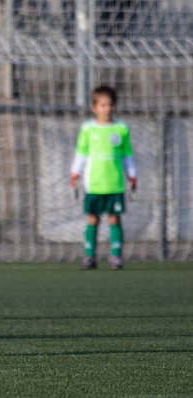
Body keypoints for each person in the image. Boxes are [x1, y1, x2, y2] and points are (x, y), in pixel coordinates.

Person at [69, 85, 137, 270]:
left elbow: (127, 155)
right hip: (94, 185)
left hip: (115, 184)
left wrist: (132, 175)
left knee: (114, 219)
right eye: (102, 105)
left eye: (109, 105)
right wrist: (75, 173)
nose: (107, 109)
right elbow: (81, 154)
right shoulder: (88, 129)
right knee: (92, 219)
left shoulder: (121, 129)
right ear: (94, 107)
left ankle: (116, 257)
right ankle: (89, 257)